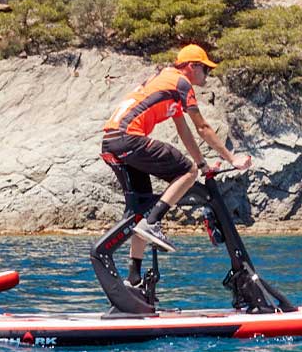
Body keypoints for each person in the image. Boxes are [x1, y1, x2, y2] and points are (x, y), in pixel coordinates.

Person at [100, 44, 251, 283]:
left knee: (139, 209)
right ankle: (153, 222)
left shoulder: (164, 80)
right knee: (186, 170)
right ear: (192, 67)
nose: (207, 75)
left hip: (111, 142)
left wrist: (203, 166)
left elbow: (185, 132)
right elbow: (202, 127)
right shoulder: (181, 83)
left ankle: (133, 280)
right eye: (206, 69)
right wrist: (231, 158)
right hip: (128, 138)